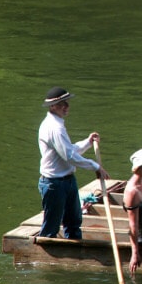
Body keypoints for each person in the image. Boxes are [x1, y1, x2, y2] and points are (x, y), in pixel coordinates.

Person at [36, 86, 109, 239]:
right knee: (51, 228)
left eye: (67, 102)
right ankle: (44, 258)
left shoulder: (58, 125)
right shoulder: (54, 128)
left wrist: (88, 143)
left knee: (74, 221)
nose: (67, 107)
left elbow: (69, 150)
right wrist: (95, 167)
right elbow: (69, 156)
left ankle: (75, 252)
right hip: (54, 183)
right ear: (53, 106)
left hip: (67, 181)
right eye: (62, 103)